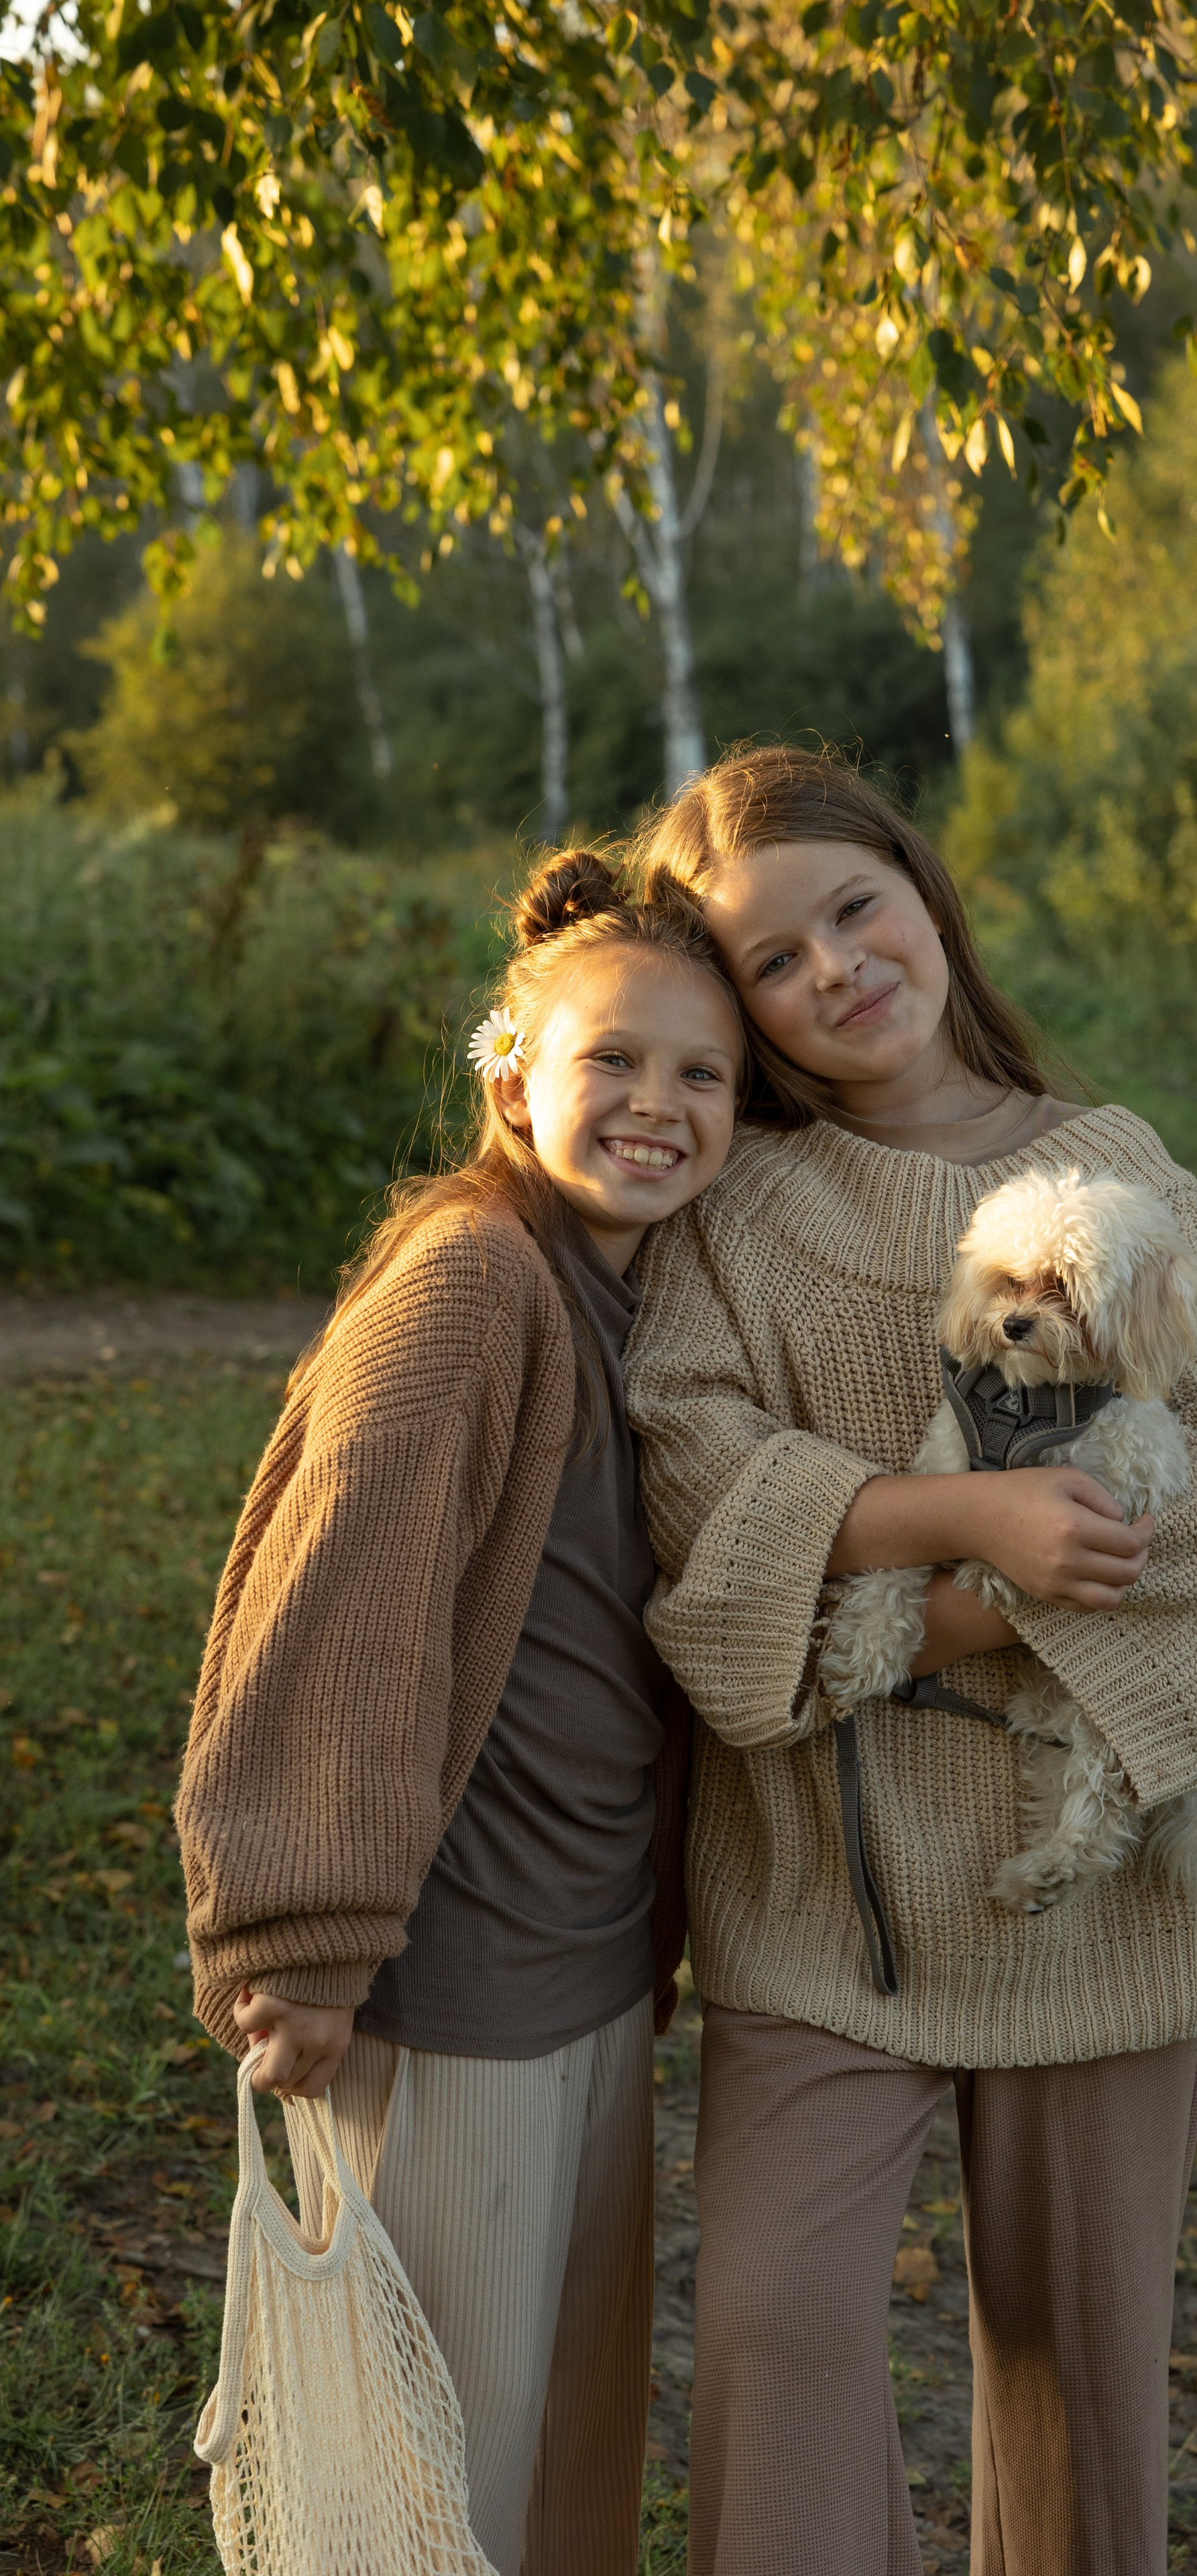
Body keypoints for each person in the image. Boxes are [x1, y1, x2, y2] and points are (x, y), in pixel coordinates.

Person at [624, 746, 1197, 2576]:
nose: (836, 968)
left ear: (922, 893)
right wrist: (950, 1548)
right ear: (744, 1008)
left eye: (855, 908)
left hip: (1084, 1911)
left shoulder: (1117, 1168)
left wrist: (1033, 1591)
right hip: (824, 1895)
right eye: (773, 960)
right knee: (772, 2329)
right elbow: (692, 1474)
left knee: (1083, 2374)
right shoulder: (744, 1207)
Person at [175, 851, 746, 2576]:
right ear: (512, 1075)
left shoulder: (640, 1293)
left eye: (701, 1072)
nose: (656, 1104)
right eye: (612, 1063)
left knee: (564, 2455)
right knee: (426, 2484)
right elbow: (338, 1610)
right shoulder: (467, 1284)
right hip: (450, 1984)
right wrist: (307, 1942)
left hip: (586, 1970)